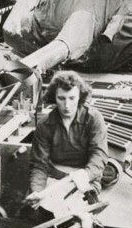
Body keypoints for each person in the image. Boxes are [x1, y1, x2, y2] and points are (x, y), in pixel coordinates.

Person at [25, 70, 108, 203]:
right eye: (61, 98)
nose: (67, 105)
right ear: (54, 97)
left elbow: (99, 154)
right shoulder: (44, 124)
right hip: (53, 179)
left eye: (72, 98)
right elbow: (39, 164)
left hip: (85, 178)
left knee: (82, 209)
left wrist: (86, 174)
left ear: (80, 96)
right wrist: (37, 190)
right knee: (38, 207)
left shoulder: (93, 119)